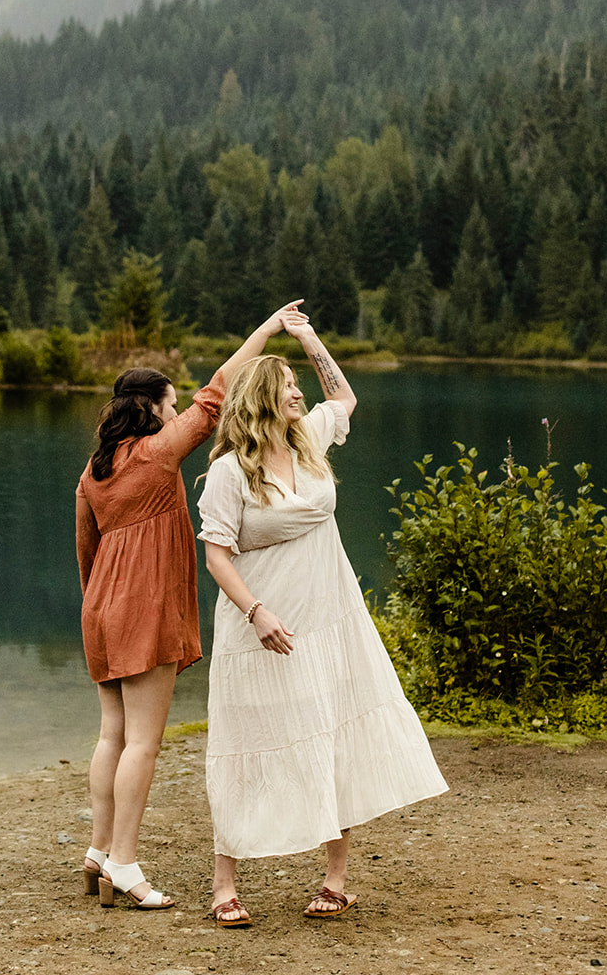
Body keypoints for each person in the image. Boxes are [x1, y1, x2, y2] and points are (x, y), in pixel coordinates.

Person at [197, 308, 447, 926]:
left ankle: (336, 879)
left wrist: (306, 339)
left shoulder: (309, 442)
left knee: (331, 732)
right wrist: (256, 613)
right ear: (262, 400)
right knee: (244, 742)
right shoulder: (229, 472)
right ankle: (224, 885)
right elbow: (216, 557)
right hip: (260, 624)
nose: (299, 395)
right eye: (288, 390)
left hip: (330, 617)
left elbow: (344, 395)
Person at [75, 301, 306, 911]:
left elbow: (85, 552)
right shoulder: (157, 453)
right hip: (142, 610)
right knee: (144, 744)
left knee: (112, 736)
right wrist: (266, 327)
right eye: (170, 405)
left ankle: (99, 850)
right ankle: (124, 862)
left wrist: (98, 609)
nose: (178, 412)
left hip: (99, 609)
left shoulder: (93, 470)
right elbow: (221, 388)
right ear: (151, 410)